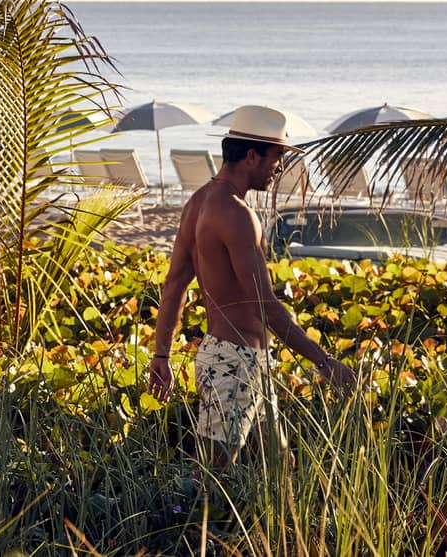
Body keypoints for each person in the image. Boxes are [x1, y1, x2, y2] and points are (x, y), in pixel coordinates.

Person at [147, 105, 355, 469]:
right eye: (277, 157)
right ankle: (185, 525)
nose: (279, 169)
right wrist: (324, 362)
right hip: (235, 362)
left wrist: (161, 354)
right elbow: (264, 304)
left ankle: (284, 528)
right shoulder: (236, 214)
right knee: (211, 477)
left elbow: (174, 284)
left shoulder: (197, 203)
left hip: (237, 360)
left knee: (281, 468)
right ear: (252, 156)